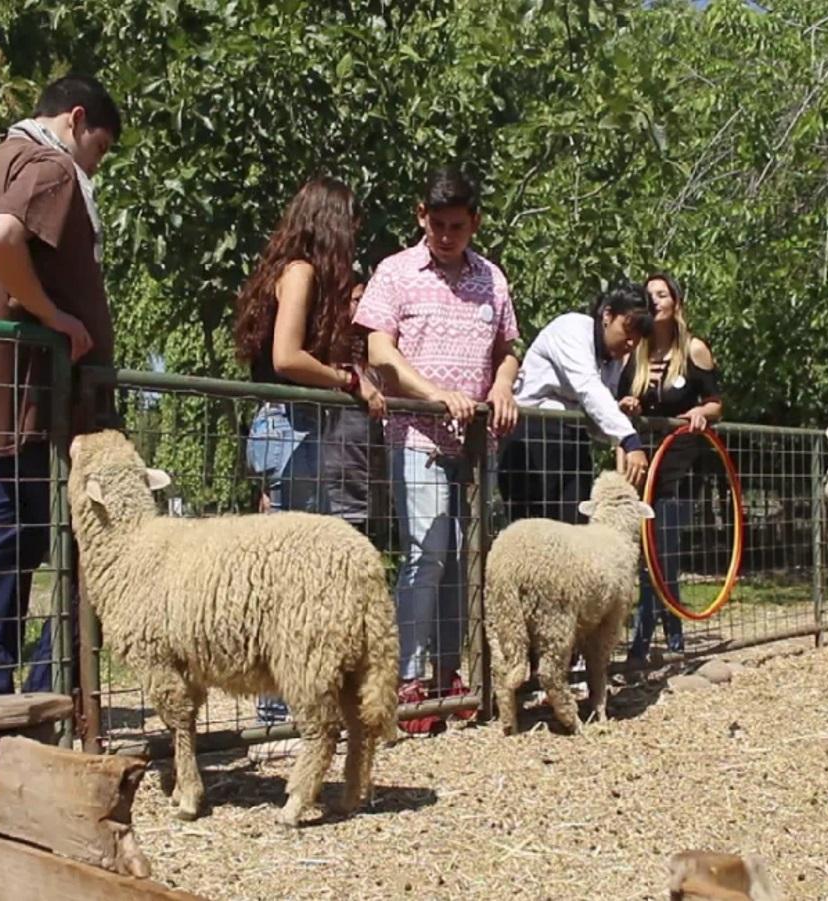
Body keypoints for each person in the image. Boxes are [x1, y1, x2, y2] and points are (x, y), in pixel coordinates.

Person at [0, 73, 122, 702]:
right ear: (76, 120)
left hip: (10, 396)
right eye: (100, 148)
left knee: (5, 547)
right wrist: (54, 316)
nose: (96, 166)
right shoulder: (51, 167)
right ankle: (29, 698)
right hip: (35, 396)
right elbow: (0, 238)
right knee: (67, 542)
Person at [353, 164, 519, 735]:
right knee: (428, 551)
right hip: (417, 435)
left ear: (474, 223)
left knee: (467, 560)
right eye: (437, 223)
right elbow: (380, 351)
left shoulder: (493, 280)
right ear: (421, 216)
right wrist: (434, 395)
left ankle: (455, 674)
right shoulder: (395, 273)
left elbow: (508, 347)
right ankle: (408, 679)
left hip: (476, 445)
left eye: (458, 225)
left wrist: (500, 385)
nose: (447, 235)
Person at [234, 176, 384, 746]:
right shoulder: (300, 273)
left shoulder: (292, 272)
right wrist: (349, 379)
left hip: (292, 432)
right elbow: (287, 356)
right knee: (291, 586)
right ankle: (278, 715)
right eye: (350, 227)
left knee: (297, 584)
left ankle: (296, 710)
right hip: (290, 431)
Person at [617, 272, 723, 667]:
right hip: (643, 465)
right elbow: (624, 405)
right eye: (649, 296)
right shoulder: (635, 354)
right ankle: (674, 636)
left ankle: (641, 645)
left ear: (676, 302)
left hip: (681, 467)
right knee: (651, 554)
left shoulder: (694, 350)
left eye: (662, 294)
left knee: (663, 554)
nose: (655, 300)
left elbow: (715, 402)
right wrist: (630, 405)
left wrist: (699, 412)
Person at [499, 282, 654, 525]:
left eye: (638, 337)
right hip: (532, 435)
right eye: (628, 329)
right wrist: (629, 438)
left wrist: (617, 411)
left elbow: (596, 409)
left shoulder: (611, 361)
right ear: (607, 315)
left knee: (575, 530)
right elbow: (588, 388)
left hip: (573, 440)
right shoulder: (572, 329)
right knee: (532, 532)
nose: (631, 342)